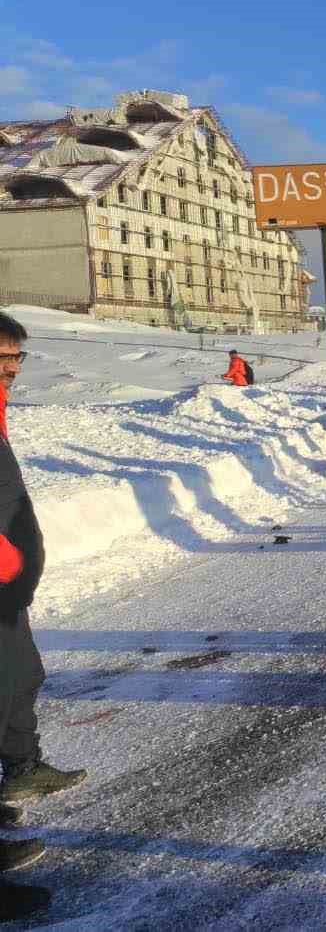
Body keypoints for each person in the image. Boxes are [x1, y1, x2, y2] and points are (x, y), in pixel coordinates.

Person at [0, 311, 84, 920]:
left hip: (7, 589)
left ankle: (20, 769)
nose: (11, 369)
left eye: (17, 358)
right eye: (1, 358)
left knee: (20, 680)